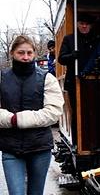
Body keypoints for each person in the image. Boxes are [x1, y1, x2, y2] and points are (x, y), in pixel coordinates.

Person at [0, 35, 65, 195]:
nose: (25, 57)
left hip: (39, 148)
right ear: (12, 53)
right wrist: (10, 119)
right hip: (11, 147)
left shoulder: (46, 78)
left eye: (29, 53)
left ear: (35, 54)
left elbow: (54, 111)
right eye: (21, 53)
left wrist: (19, 119)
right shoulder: (2, 78)